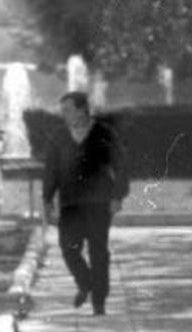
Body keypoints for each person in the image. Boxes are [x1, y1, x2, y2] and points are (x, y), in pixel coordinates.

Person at [41, 91, 129, 317]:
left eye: (68, 109)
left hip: (99, 201)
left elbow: (121, 164)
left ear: (82, 109)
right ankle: (86, 283)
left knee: (99, 252)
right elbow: (51, 169)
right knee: (68, 248)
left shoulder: (103, 133)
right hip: (71, 202)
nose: (64, 115)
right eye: (63, 111)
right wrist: (47, 199)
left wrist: (118, 195)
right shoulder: (59, 136)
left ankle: (99, 302)